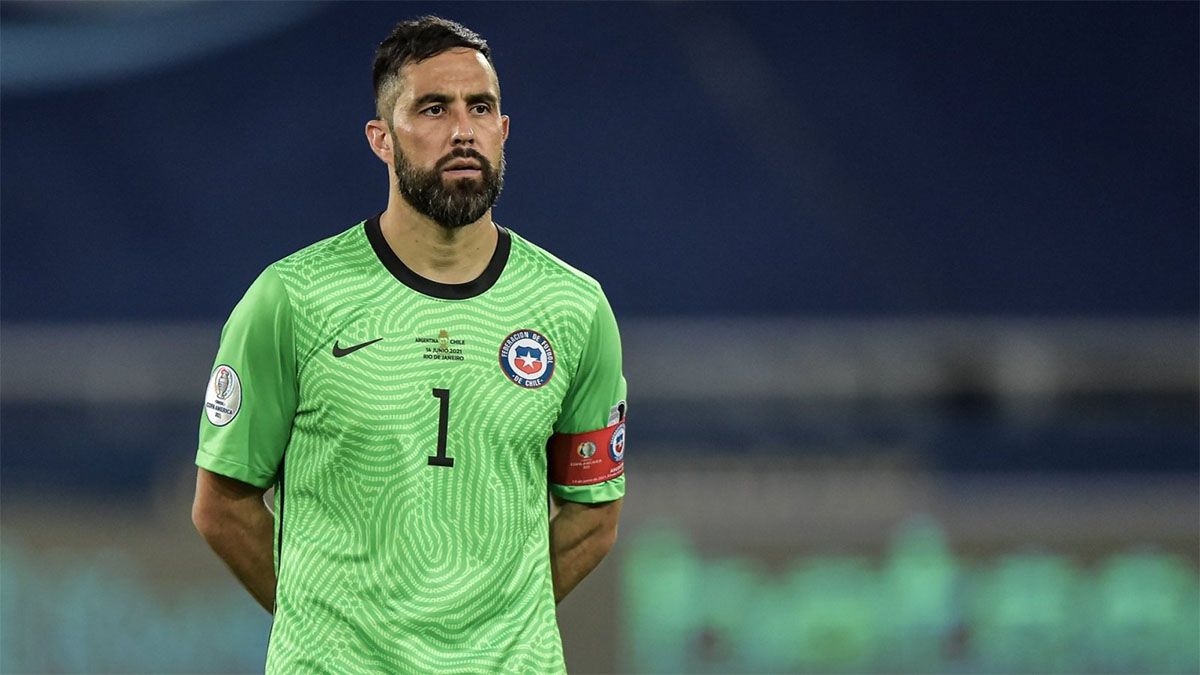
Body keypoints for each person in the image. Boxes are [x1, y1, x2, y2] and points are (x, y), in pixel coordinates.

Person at [190, 15, 626, 673]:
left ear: (503, 131)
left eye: (481, 108)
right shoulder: (292, 299)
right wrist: (339, 632)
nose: (462, 129)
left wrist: (488, 628)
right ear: (382, 139)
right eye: (432, 108)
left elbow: (593, 515)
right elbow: (222, 504)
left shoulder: (574, 308)